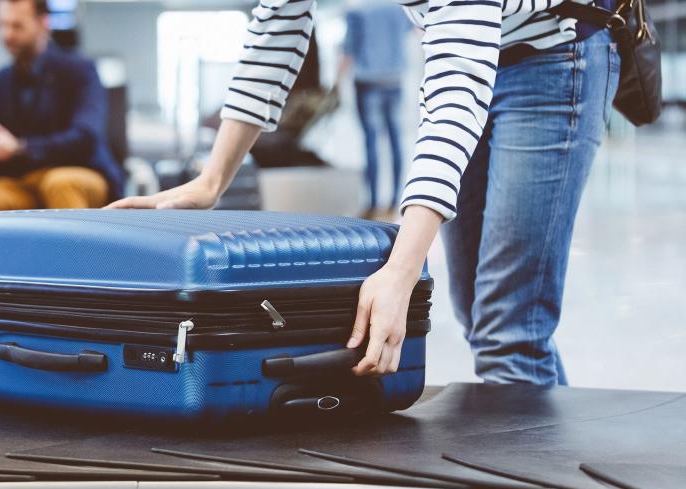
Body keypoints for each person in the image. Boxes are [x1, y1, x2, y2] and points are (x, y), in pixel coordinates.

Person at [110, 0, 620, 386]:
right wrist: (210, 181)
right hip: (482, 52)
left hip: (555, 58)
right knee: (481, 315)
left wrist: (401, 270)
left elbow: (455, 95)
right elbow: (275, 32)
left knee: (508, 330)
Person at [0, 0, 122, 222]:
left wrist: (21, 149)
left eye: (17, 26)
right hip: (23, 182)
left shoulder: (80, 71)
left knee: (60, 184)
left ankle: (76, 256)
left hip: (79, 173)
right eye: (2, 25)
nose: (7, 35)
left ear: (44, 23)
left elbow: (85, 137)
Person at [338, 0, 413, 215]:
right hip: (394, 80)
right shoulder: (399, 7)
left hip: (367, 82)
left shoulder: (356, 10)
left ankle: (372, 202)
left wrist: (334, 84)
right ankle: (395, 201)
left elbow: (348, 50)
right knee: (395, 139)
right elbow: (413, 30)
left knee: (371, 142)